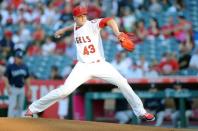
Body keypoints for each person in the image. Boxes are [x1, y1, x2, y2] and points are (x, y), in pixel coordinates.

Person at [25, 5, 155, 121]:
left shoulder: (92, 24)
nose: (83, 18)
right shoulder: (76, 25)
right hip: (83, 66)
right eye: (80, 16)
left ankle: (141, 112)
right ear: (75, 17)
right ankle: (33, 109)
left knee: (123, 82)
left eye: (84, 15)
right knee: (64, 91)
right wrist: (63, 30)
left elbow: (109, 20)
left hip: (100, 64)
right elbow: (74, 26)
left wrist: (118, 33)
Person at [4, 50, 31, 117]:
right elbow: (5, 77)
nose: (20, 59)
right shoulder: (10, 66)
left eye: (21, 57)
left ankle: (18, 122)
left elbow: (27, 78)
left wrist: (29, 88)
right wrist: (8, 87)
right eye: (19, 57)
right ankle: (9, 122)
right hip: (13, 88)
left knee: (20, 106)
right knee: (12, 105)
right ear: (15, 57)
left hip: (22, 88)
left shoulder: (24, 66)